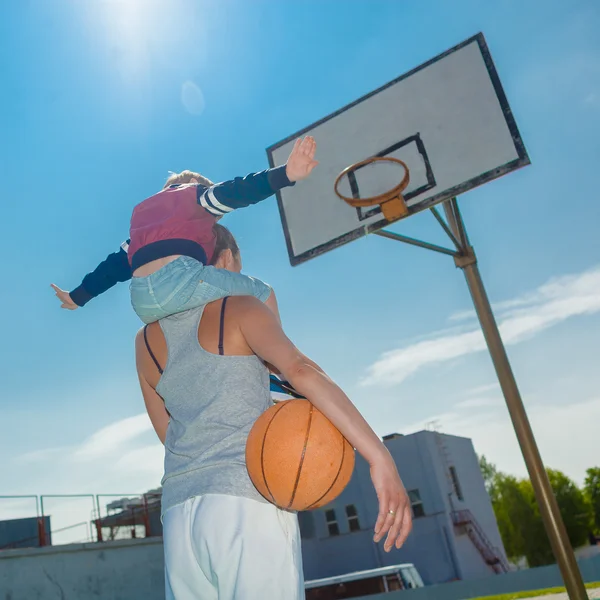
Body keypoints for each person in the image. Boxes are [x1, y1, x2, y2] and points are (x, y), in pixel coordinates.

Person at [135, 224, 413, 600]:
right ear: (228, 259)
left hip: (180, 515)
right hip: (246, 499)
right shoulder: (241, 307)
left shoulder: (145, 341)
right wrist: (379, 456)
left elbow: (167, 434)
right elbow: (300, 371)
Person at [51, 136, 318, 323]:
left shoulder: (143, 222)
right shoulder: (195, 196)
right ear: (193, 182)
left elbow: (113, 266)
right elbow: (237, 191)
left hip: (142, 300)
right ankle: (280, 363)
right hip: (180, 280)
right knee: (264, 293)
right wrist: (286, 174)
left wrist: (78, 296)